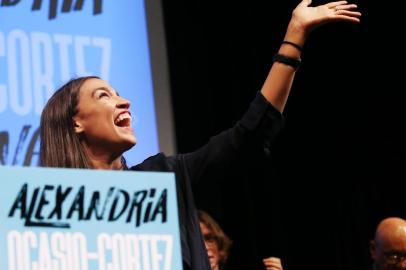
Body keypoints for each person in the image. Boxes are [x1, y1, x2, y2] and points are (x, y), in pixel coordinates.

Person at [39, 1, 361, 269]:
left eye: (118, 92)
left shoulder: (163, 177)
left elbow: (247, 136)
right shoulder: (47, 212)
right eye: (103, 96)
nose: (123, 100)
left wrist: (294, 36)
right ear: (75, 123)